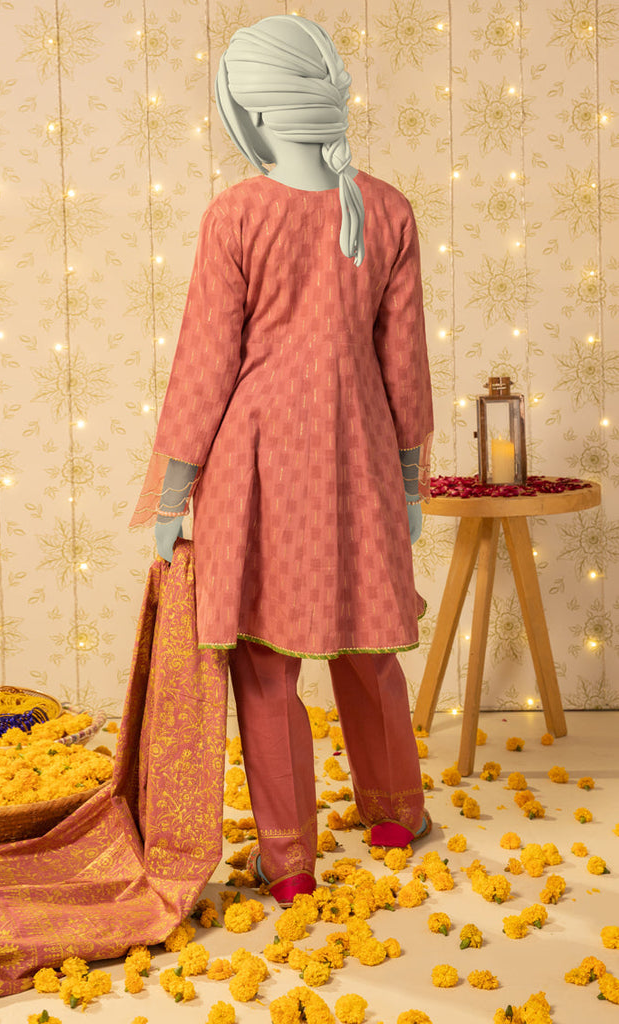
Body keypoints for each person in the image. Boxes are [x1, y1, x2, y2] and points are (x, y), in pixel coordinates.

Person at [130, 14, 434, 906]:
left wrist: (171, 495)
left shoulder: (237, 213)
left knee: (266, 665)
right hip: (361, 458)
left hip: (256, 464)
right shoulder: (387, 208)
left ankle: (289, 860)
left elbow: (204, 365)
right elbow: (405, 367)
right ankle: (394, 815)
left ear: (253, 110)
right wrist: (408, 485)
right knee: (368, 645)